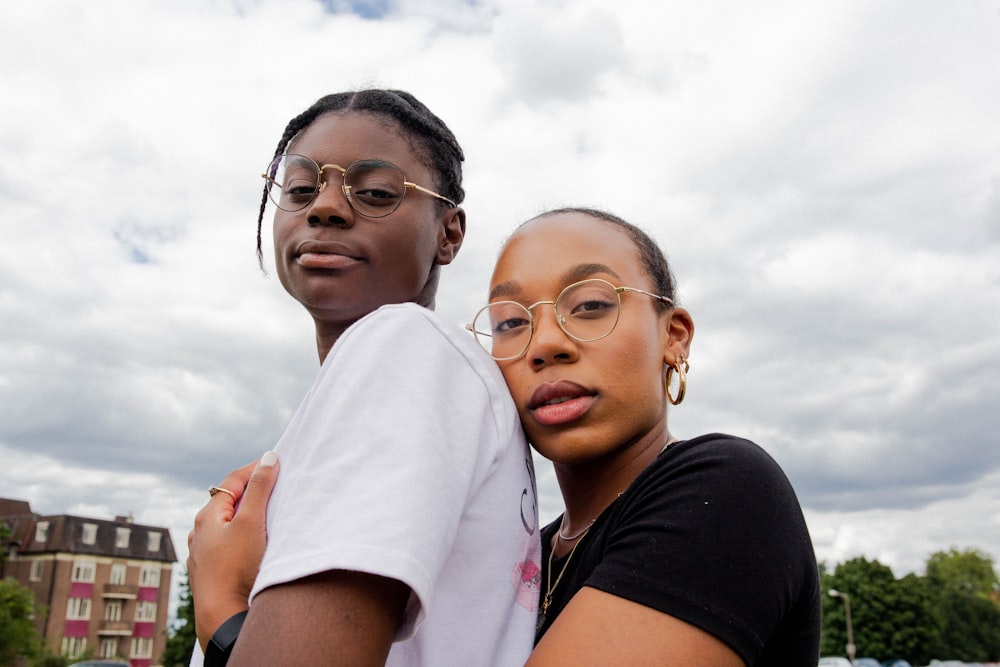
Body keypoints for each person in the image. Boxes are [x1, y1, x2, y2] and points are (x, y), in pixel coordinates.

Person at [197, 206, 822, 665]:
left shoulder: (728, 491)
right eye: (509, 322)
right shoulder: (527, 557)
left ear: (674, 336)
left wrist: (225, 615)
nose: (546, 344)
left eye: (591, 305)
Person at [186, 89, 540, 667]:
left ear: (449, 234)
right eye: (301, 189)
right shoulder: (398, 382)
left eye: (374, 193)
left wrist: (219, 604)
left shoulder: (406, 346)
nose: (325, 207)